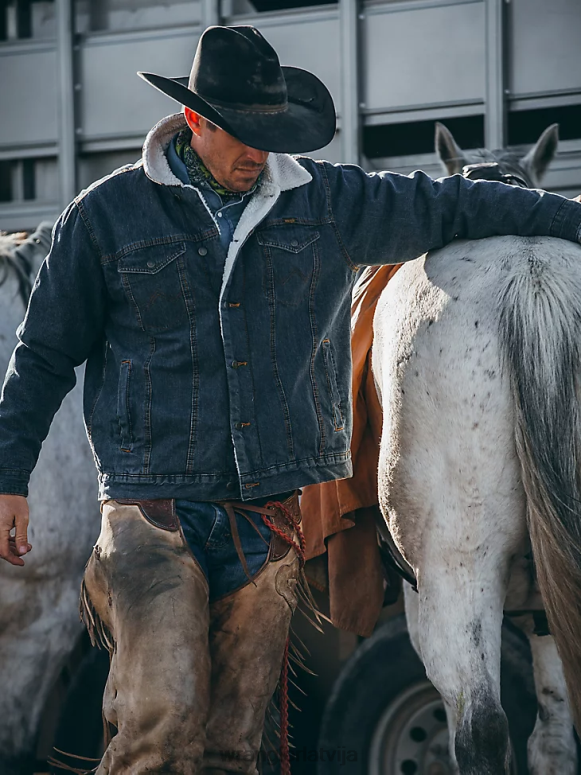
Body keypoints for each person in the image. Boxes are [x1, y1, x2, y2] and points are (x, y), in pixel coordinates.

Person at [0, 24, 580, 775]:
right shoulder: (105, 216)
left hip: (266, 519)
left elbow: (455, 208)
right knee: (160, 722)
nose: (260, 152)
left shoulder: (326, 201)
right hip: (153, 514)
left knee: (235, 744)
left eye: (273, 135)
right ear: (196, 121)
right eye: (244, 134)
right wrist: (10, 475)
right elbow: (42, 353)